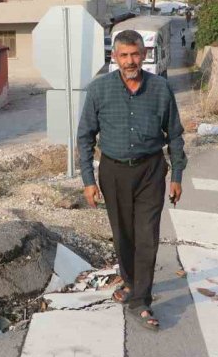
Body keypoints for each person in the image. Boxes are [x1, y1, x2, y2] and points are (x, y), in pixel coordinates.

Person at [77, 30, 187, 331]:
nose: (130, 61)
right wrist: (89, 180)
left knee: (147, 236)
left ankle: (141, 300)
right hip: (113, 173)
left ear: (144, 54)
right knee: (123, 234)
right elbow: (85, 137)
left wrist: (177, 174)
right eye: (124, 55)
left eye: (135, 54)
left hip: (151, 171)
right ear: (114, 57)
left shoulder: (161, 89)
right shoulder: (99, 90)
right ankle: (129, 280)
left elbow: (175, 135)